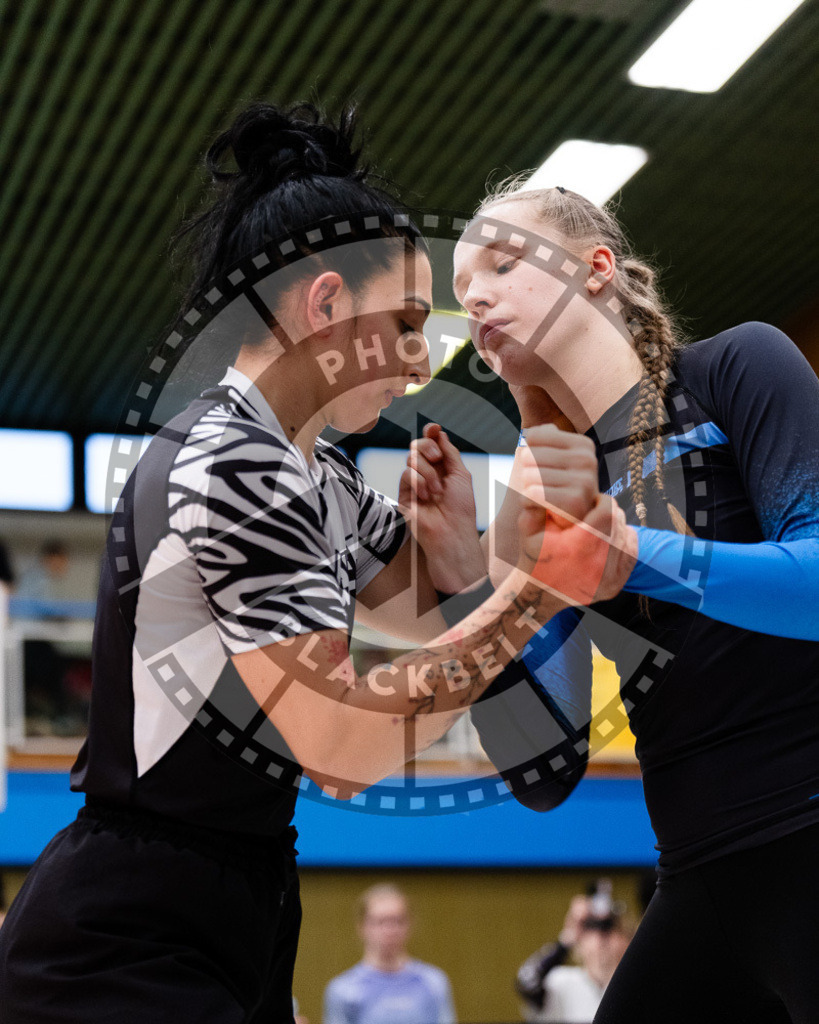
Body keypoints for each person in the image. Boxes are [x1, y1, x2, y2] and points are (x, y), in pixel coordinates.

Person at [0, 105, 633, 1024]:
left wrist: (462, 557)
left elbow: (461, 656)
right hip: (125, 936)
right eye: (409, 323)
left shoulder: (319, 477)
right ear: (326, 304)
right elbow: (341, 747)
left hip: (236, 903)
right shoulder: (233, 466)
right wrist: (536, 594)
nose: (421, 363)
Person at [426, 181, 819, 1023]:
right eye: (463, 294)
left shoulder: (734, 369)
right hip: (699, 879)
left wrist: (630, 556)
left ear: (596, 268)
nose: (478, 298)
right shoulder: (535, 502)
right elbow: (545, 771)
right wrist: (464, 580)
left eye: (502, 263)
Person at [323, 884, 456, 1024]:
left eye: (397, 921)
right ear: (362, 926)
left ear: (409, 924)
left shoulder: (433, 982)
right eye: (380, 922)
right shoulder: (343, 990)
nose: (390, 930)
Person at [515, 881, 631, 1024]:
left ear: (627, 939)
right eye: (592, 928)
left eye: (608, 927)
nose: (601, 938)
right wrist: (566, 940)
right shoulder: (561, 981)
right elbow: (526, 980)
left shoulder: (634, 987)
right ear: (579, 942)